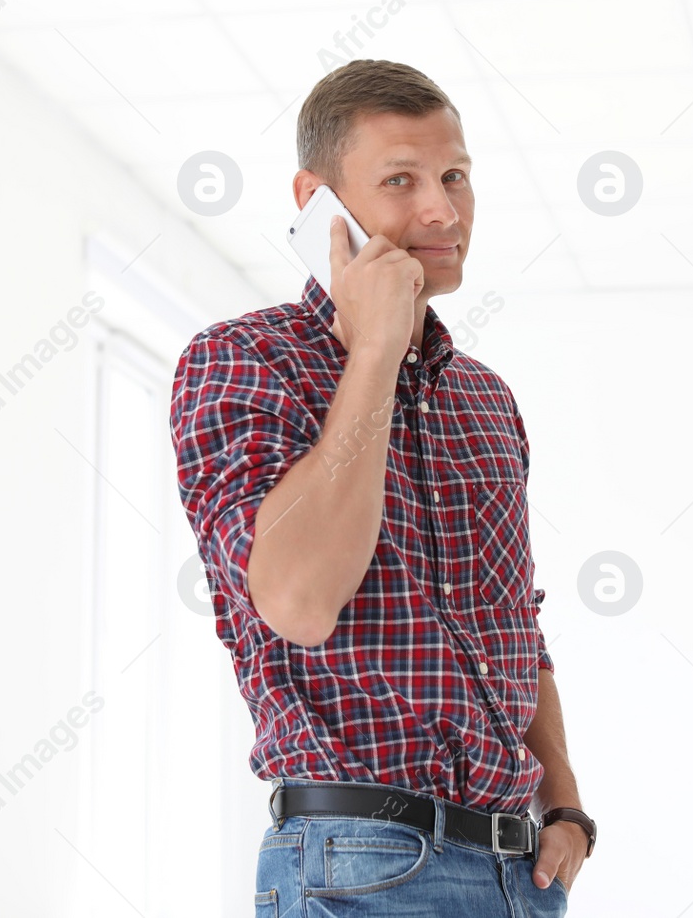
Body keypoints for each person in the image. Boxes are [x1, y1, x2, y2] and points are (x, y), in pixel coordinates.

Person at [169, 59, 595, 915]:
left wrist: (567, 807)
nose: (442, 210)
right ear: (316, 199)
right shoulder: (244, 362)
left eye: (455, 176)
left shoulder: (483, 396)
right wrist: (373, 353)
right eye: (401, 180)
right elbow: (298, 601)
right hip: (366, 865)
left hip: (522, 872)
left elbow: (516, 618)